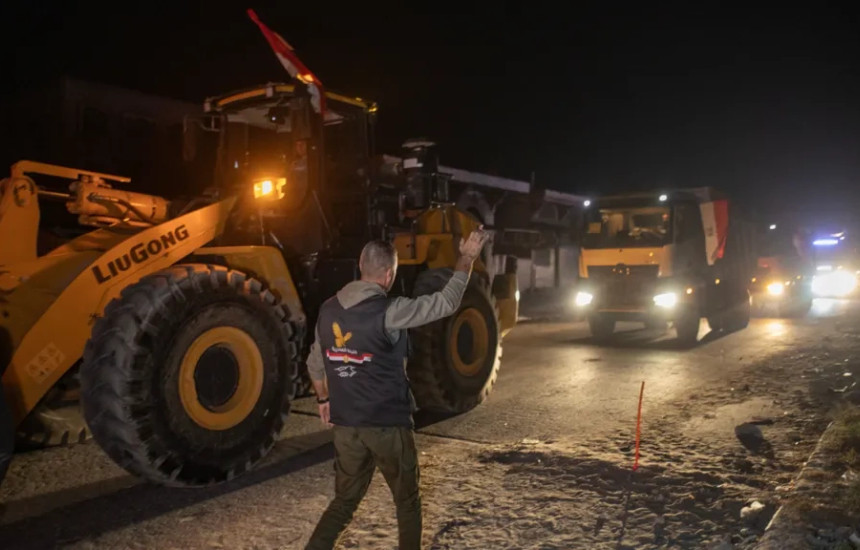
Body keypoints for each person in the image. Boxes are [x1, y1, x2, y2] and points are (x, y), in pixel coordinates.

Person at [304, 228, 490, 550]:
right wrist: (466, 258)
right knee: (407, 502)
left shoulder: (328, 310)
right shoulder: (390, 311)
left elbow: (315, 364)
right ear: (389, 274)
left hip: (347, 427)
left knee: (344, 502)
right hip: (387, 425)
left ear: (361, 266)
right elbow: (446, 302)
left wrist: (324, 399)